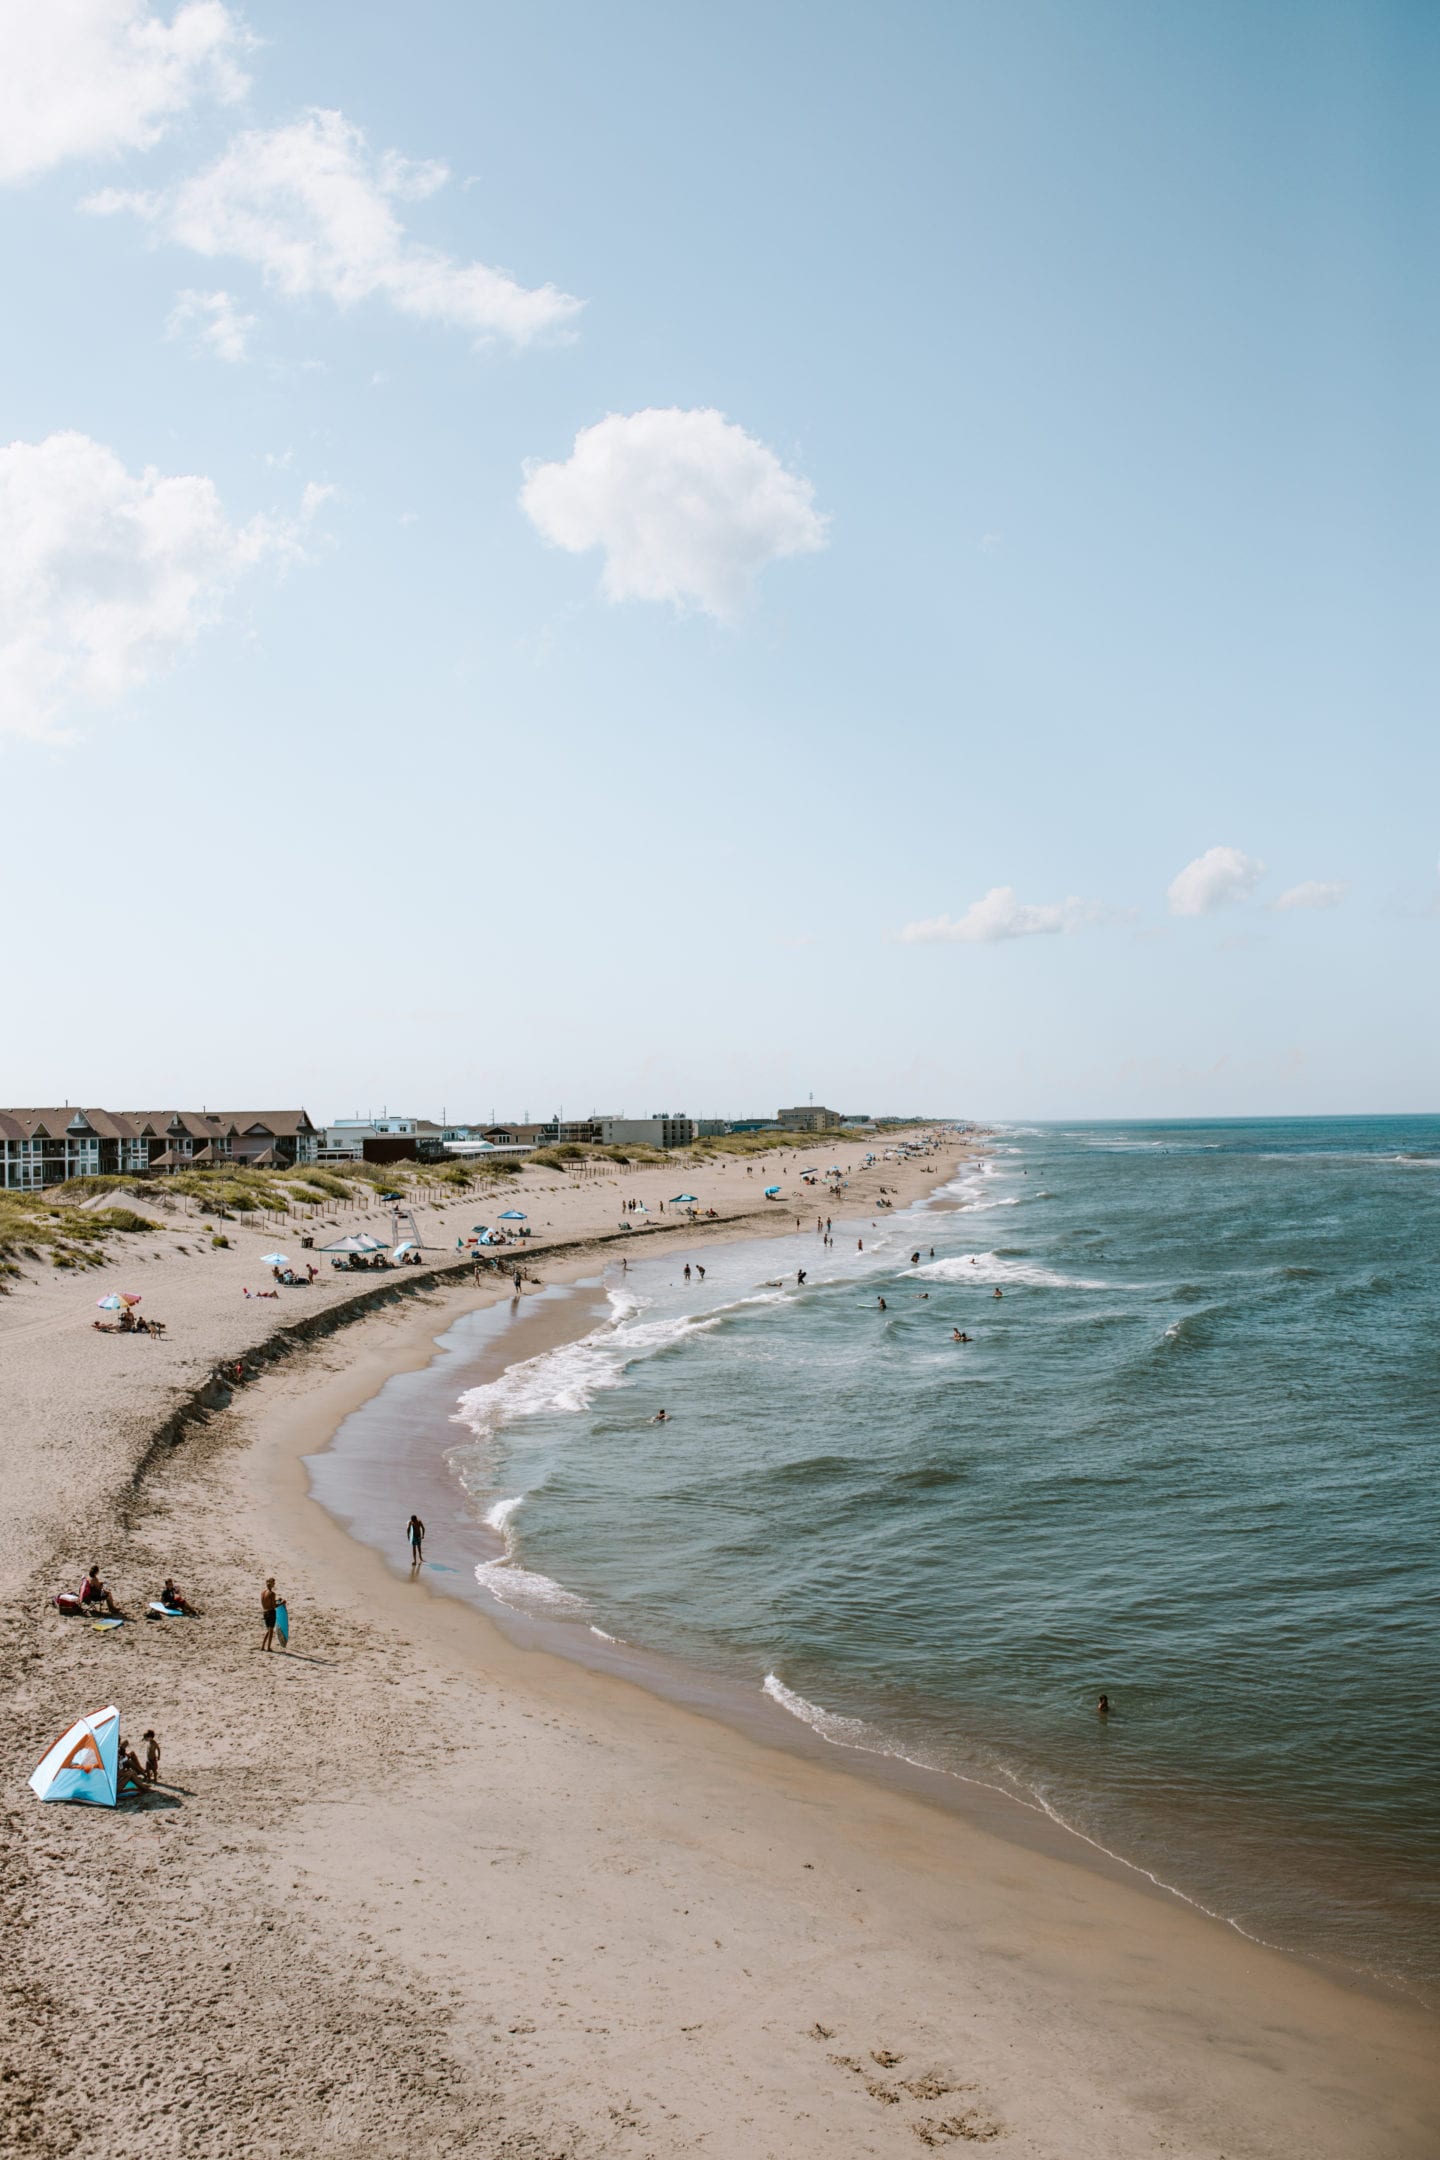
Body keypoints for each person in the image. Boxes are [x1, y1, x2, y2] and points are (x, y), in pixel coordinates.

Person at [261, 1577, 279, 1652]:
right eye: (274, 1583)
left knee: (268, 1630)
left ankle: (262, 1646)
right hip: (271, 1613)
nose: (274, 1584)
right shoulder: (272, 1594)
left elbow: (265, 1603)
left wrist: (277, 1601)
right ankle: (268, 1647)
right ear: (272, 1584)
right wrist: (282, 1603)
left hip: (265, 1612)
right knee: (271, 1631)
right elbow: (274, 1606)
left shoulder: (263, 1593)